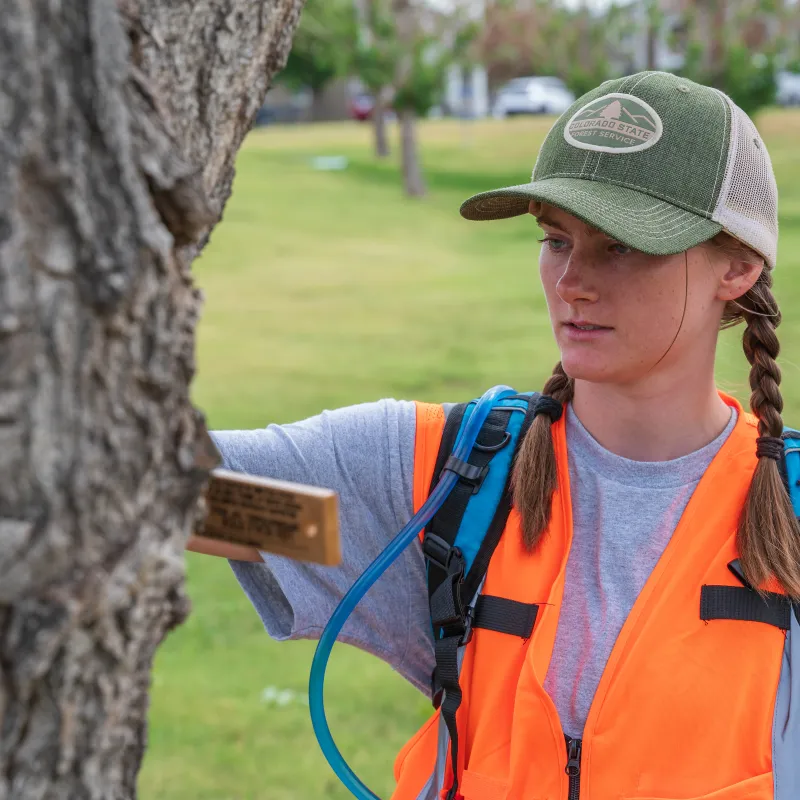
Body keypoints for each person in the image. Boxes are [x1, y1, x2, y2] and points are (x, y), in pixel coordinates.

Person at [188, 71, 800, 800]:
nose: (572, 280)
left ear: (738, 265)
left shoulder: (786, 512)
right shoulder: (448, 482)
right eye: (554, 239)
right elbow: (182, 497)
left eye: (623, 248)